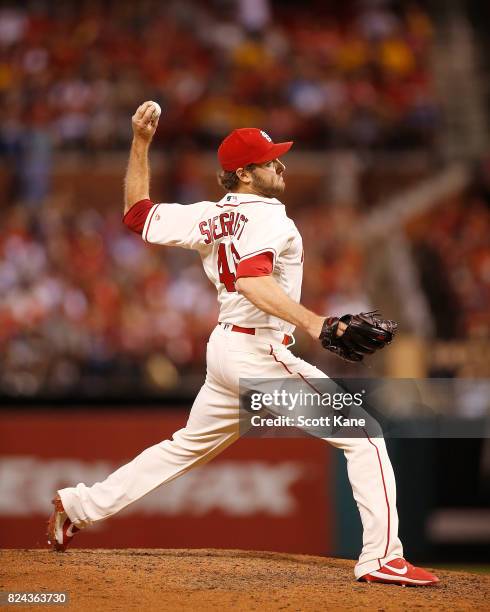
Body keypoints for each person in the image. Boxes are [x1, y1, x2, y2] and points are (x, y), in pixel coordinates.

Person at [48, 101, 439, 586]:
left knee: (181, 449)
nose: (281, 165)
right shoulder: (272, 218)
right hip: (257, 353)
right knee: (365, 436)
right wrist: (319, 325)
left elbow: (136, 214)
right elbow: (253, 284)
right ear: (245, 174)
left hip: (226, 350)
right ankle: (381, 558)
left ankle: (80, 505)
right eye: (270, 160)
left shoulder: (211, 216)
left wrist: (140, 144)